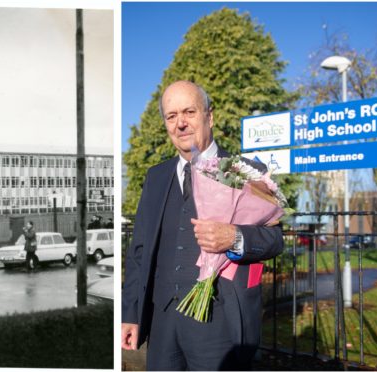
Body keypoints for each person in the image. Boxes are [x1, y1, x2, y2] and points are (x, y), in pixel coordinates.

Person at [121, 81, 284, 370]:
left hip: (219, 322)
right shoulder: (156, 177)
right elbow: (139, 251)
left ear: (210, 116)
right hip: (162, 321)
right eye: (171, 116)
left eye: (189, 112)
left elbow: (275, 239)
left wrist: (235, 237)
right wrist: (131, 313)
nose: (180, 123)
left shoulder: (247, 172)